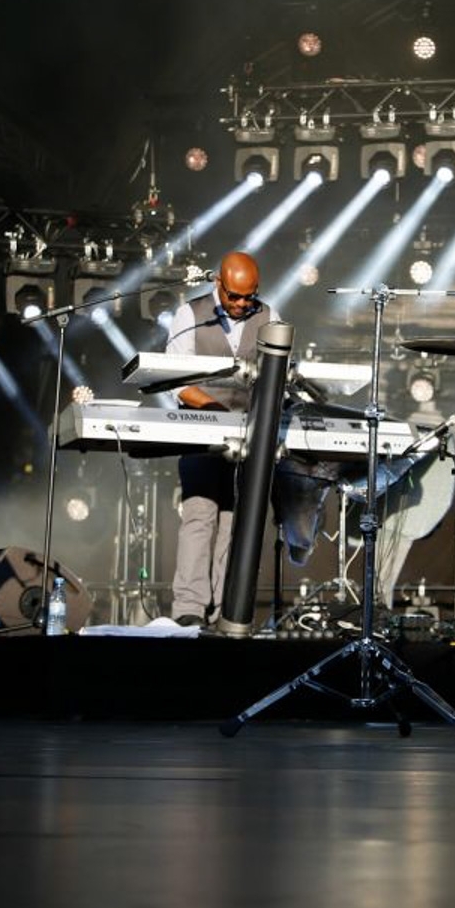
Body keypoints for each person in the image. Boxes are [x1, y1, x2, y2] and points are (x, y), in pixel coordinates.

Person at [163, 251, 272, 627]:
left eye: (249, 296)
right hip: (201, 432)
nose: (242, 304)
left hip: (249, 436)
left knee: (235, 522)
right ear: (218, 284)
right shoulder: (189, 314)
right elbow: (177, 381)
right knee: (200, 514)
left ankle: (225, 608)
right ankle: (190, 608)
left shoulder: (269, 317)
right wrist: (218, 412)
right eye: (234, 296)